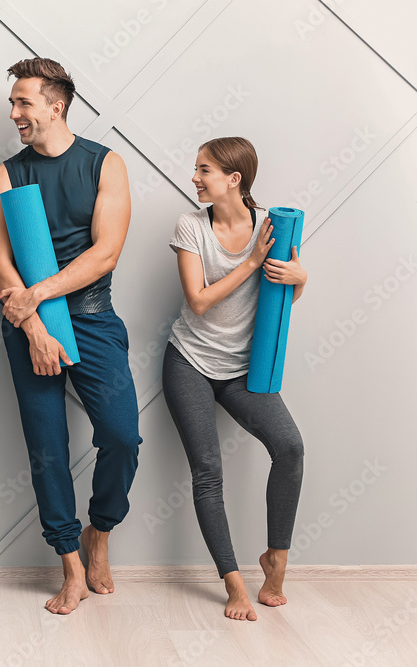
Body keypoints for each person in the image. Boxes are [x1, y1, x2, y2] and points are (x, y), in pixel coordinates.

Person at [0, 58, 142, 615]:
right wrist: (31, 324)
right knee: (48, 449)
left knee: (122, 435)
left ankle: (99, 531)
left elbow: (106, 253)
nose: (14, 113)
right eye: (12, 103)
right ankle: (70, 565)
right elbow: (0, 266)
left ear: (55, 107)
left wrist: (38, 294)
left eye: (23, 102)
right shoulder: (7, 173)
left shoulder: (106, 164)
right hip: (25, 324)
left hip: (93, 316)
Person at [162, 137, 306, 621]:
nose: (195, 177)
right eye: (196, 168)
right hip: (191, 363)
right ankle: (233, 584)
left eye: (204, 169)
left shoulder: (271, 227)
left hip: (244, 371)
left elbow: (279, 299)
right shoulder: (190, 226)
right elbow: (198, 301)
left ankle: (276, 557)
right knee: (208, 472)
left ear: (233, 179)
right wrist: (249, 263)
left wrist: (300, 280)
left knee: (290, 446)